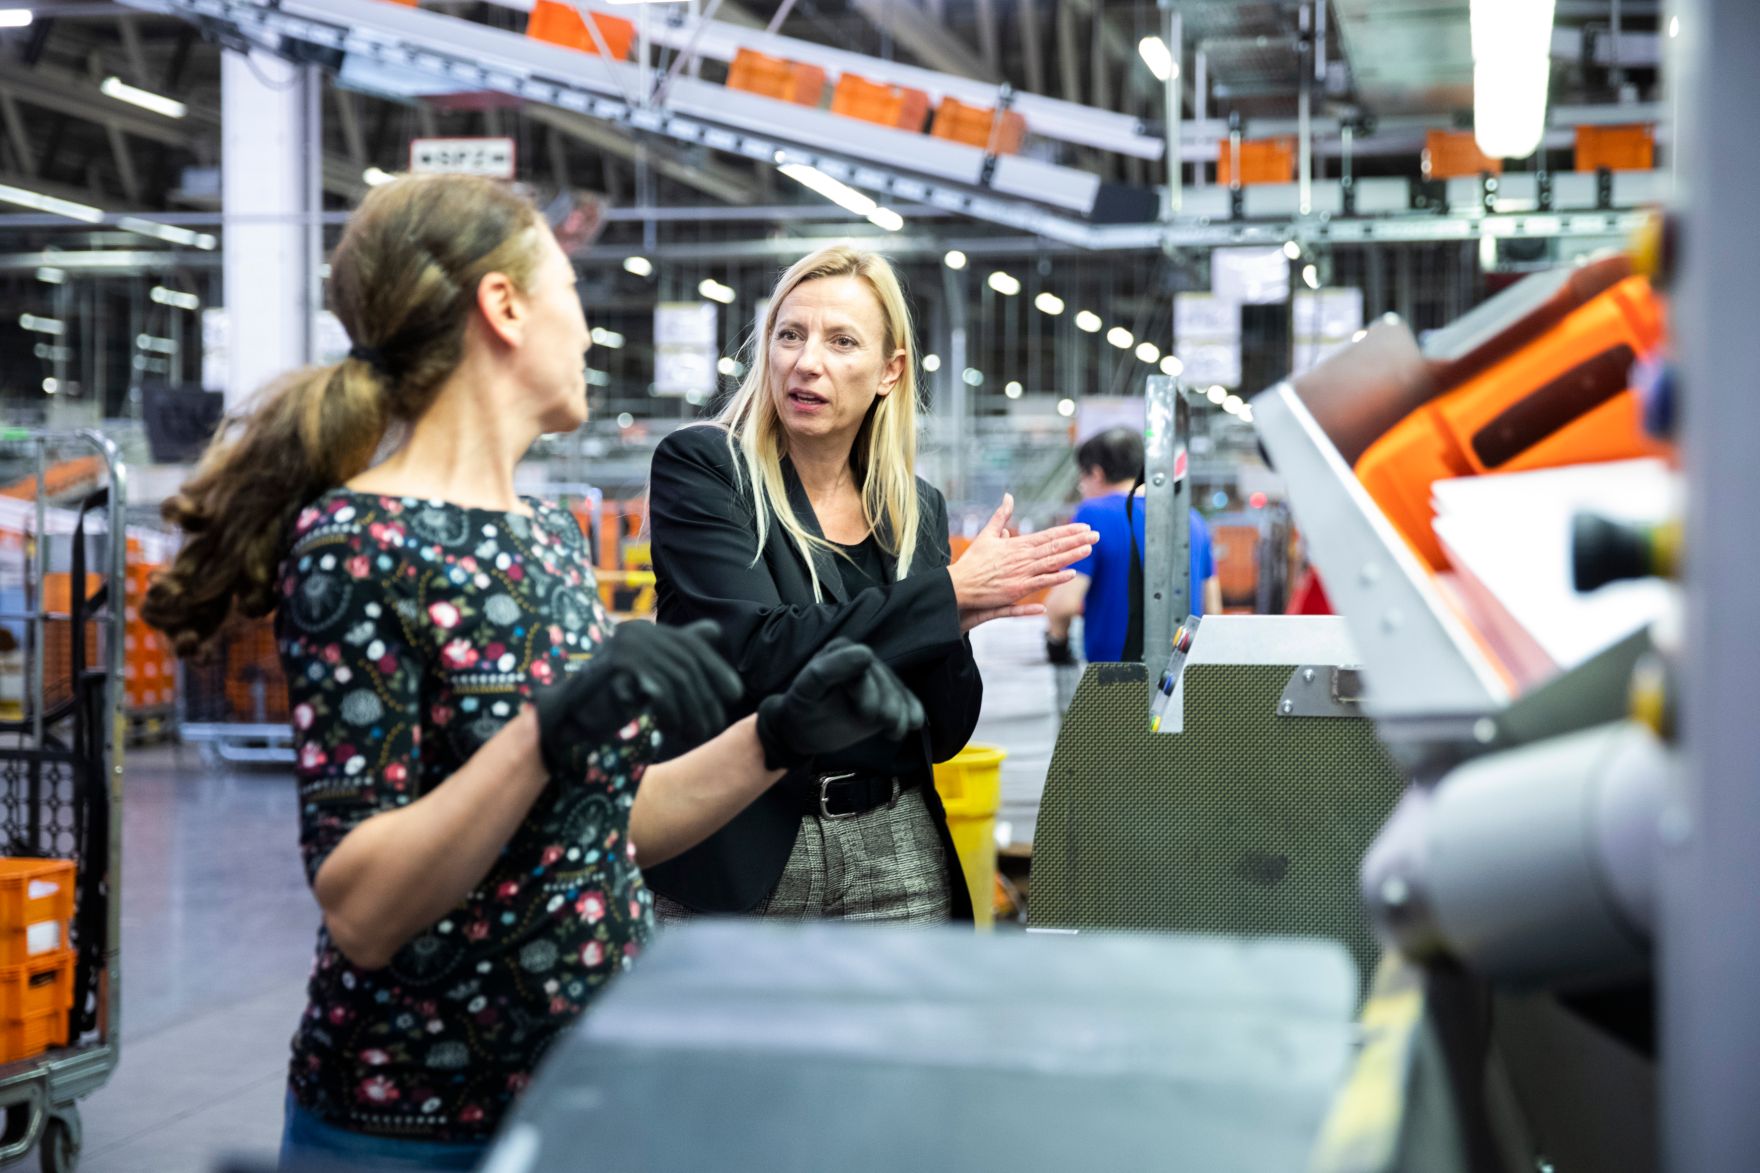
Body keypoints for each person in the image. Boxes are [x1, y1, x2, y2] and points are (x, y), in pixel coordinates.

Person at [141, 176, 926, 1170]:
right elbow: (363, 910)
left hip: (578, 1099)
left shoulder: (544, 536)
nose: (588, 330)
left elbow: (604, 820)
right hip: (417, 1126)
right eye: (571, 290)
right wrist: (544, 733)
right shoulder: (357, 544)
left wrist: (773, 739)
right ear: (504, 308)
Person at [643, 244, 1097, 922]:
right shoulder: (708, 468)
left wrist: (953, 625)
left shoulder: (913, 508)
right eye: (789, 335)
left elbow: (941, 729)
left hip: (896, 849)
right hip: (742, 847)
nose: (807, 361)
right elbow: (752, 652)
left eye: (841, 341)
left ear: (890, 371)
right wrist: (941, 600)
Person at [1044, 426, 1220, 665]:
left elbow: (1063, 605)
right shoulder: (1192, 518)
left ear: (1096, 473)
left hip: (1115, 675)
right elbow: (1213, 609)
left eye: (1081, 480)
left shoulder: (1093, 515)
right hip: (1182, 673)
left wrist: (1057, 643)